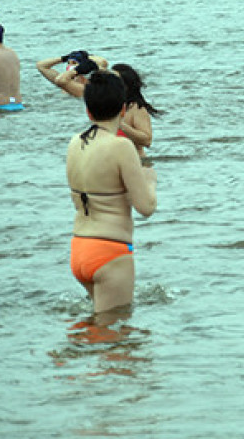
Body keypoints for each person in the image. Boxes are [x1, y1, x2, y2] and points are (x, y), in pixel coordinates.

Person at [66, 70, 157, 314]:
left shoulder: (75, 142)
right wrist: (150, 181)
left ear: (88, 110)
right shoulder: (121, 146)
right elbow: (146, 207)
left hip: (80, 248)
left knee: (95, 329)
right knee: (118, 340)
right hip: (110, 251)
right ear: (123, 110)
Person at [111, 64, 162, 156]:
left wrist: (120, 125)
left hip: (137, 163)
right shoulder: (109, 107)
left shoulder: (136, 108)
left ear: (126, 85)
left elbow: (147, 140)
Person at [36, 50, 108, 98]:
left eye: (74, 63)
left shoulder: (88, 87)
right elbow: (41, 66)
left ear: (84, 66)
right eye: (68, 63)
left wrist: (88, 60)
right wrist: (64, 58)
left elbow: (103, 62)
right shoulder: (63, 83)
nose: (70, 66)